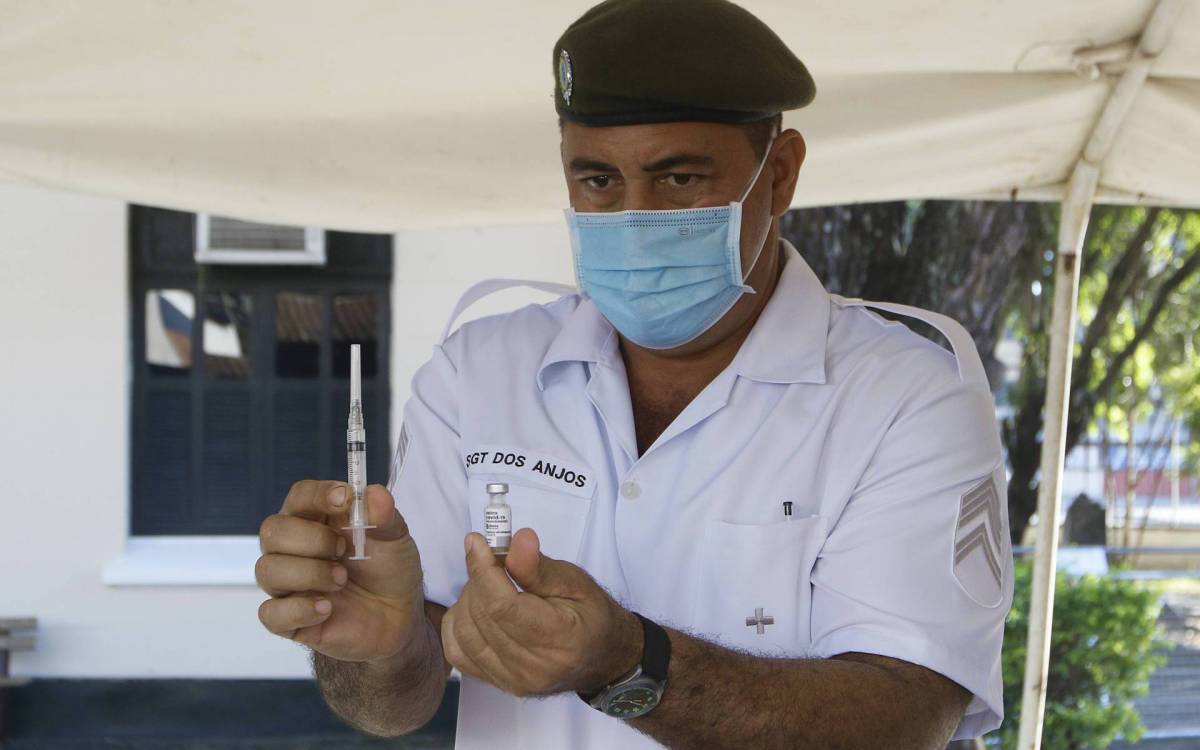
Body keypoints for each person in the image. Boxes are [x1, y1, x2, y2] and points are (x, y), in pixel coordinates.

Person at [254, 0, 1013, 747]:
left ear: (779, 176)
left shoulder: (905, 397)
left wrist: (630, 662)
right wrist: (379, 645)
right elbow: (395, 705)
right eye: (597, 183)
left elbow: (904, 720)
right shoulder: (479, 371)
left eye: (678, 180)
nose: (634, 221)